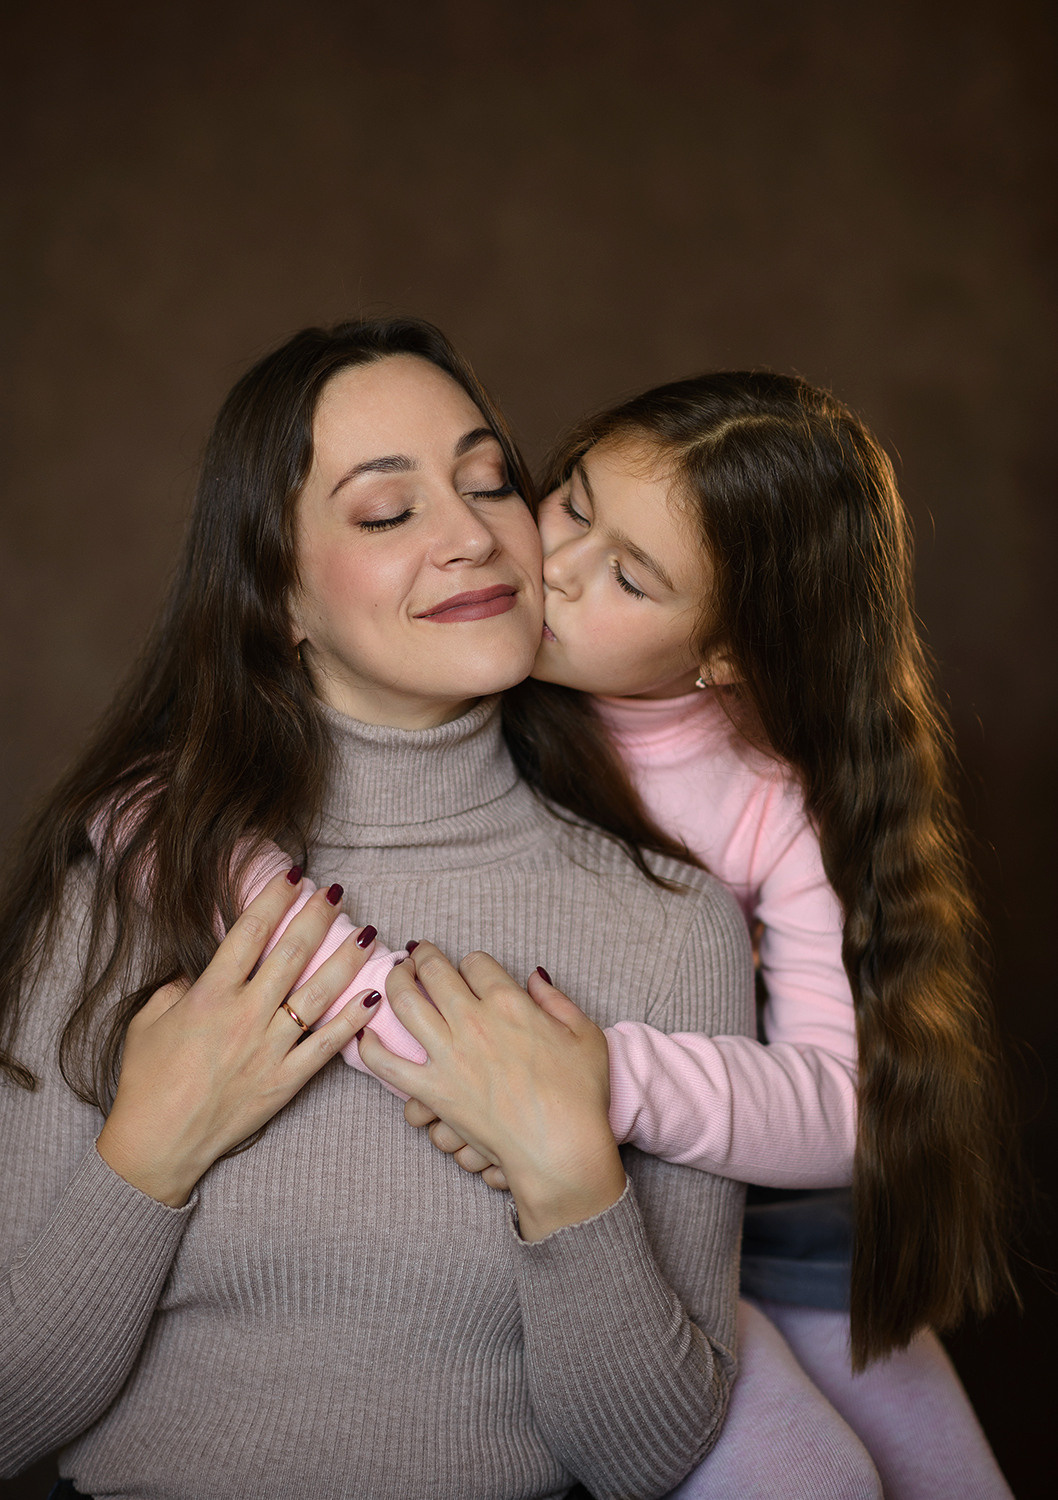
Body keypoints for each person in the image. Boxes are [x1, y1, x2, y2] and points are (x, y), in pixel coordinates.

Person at [0, 320, 753, 1500]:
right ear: (277, 593)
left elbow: (647, 1460)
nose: (472, 537)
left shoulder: (670, 924)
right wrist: (151, 1151)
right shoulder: (129, 883)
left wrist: (570, 1182)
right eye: (385, 512)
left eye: (490, 480)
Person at [388, 372, 1016, 1498]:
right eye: (569, 502)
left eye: (629, 576)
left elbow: (843, 1108)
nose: (555, 567)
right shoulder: (457, 674)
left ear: (724, 654)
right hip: (627, 1235)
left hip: (776, 1222)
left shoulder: (772, 802)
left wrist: (605, 1077)